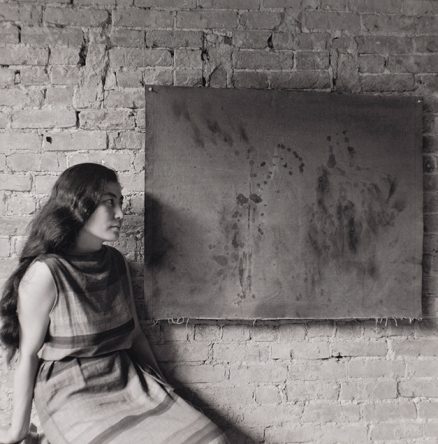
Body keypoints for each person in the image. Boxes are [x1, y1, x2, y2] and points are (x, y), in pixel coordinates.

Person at [0, 163, 228, 444]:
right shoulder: (46, 273)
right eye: (110, 202)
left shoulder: (116, 262)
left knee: (214, 440)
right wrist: (17, 430)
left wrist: (165, 387)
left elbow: (136, 335)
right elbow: (28, 355)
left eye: (120, 202)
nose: (121, 213)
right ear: (79, 205)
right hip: (71, 390)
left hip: (127, 378)